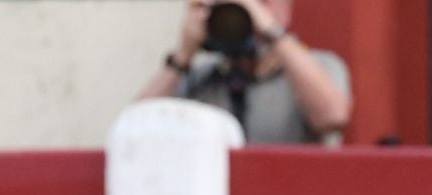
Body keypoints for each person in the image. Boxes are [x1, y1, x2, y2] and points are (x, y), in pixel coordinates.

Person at [134, 0, 351, 145]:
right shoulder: (201, 79)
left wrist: (272, 32)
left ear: (287, 11)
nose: (249, 14)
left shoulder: (321, 66)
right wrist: (183, 56)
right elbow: (134, 131)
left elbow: (332, 115)